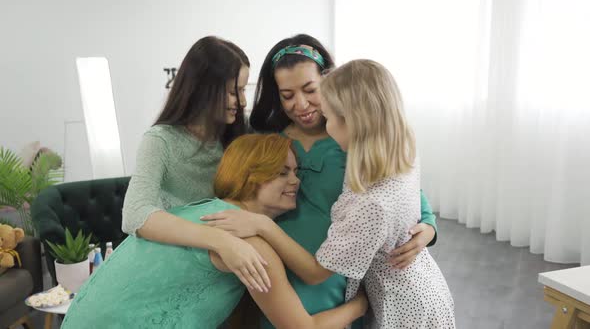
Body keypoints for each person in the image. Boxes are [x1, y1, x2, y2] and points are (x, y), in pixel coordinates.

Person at [203, 34, 439, 327]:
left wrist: (427, 228)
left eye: (310, 90)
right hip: (282, 270)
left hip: (337, 275)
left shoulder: (357, 142)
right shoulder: (269, 142)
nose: (301, 104)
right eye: (287, 96)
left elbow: (405, 193)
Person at [61, 134, 368, 329]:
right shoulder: (250, 243)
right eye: (282, 172)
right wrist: (361, 304)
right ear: (250, 176)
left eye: (296, 172)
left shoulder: (196, 211)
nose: (296, 181)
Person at [120, 36, 270, 292]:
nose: (243, 101)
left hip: (236, 271)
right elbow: (134, 214)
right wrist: (220, 241)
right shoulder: (160, 141)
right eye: (234, 91)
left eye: (244, 90)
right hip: (182, 271)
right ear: (204, 88)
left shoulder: (243, 132)